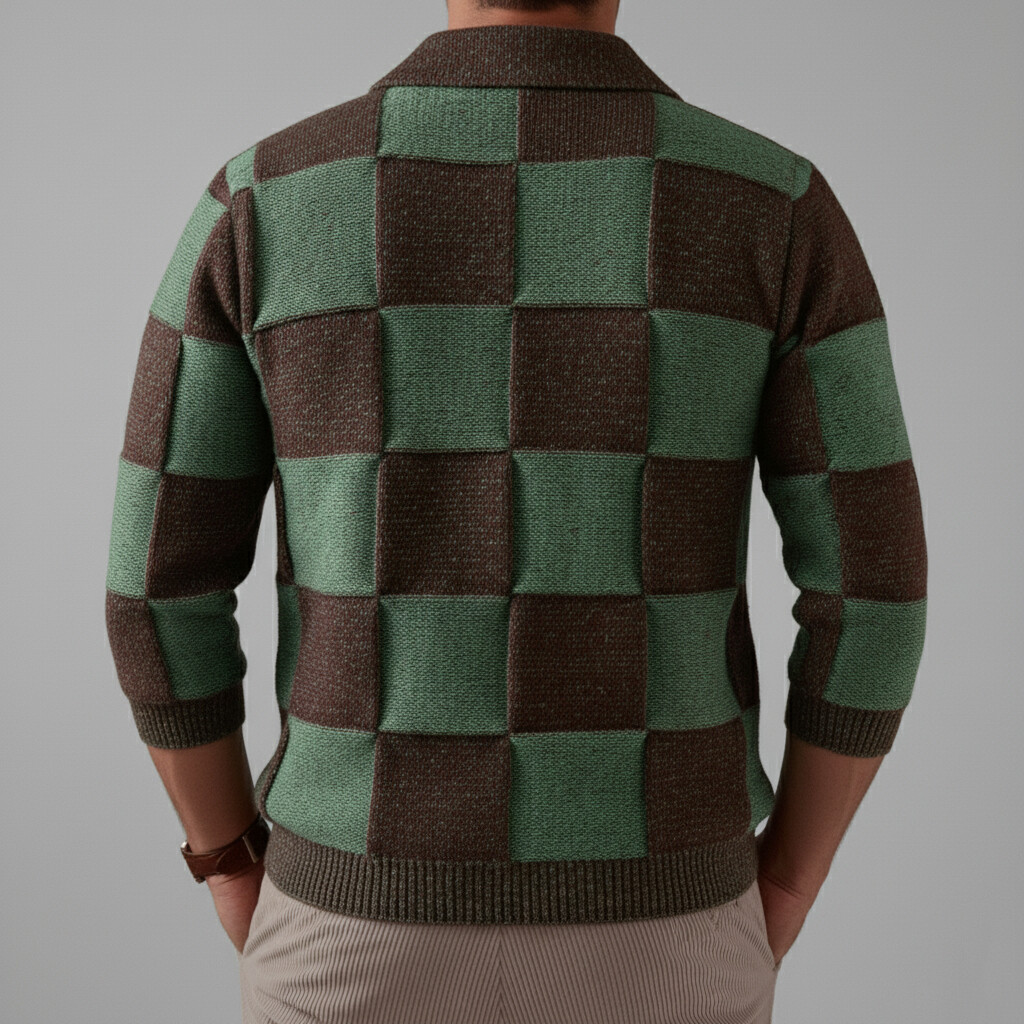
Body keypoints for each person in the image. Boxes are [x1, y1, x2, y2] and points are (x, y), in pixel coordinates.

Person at [103, 1, 928, 1021]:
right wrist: (790, 881)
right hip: (666, 929)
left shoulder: (262, 199)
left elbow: (151, 589)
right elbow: (876, 594)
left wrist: (227, 860)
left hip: (349, 930)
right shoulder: (772, 203)